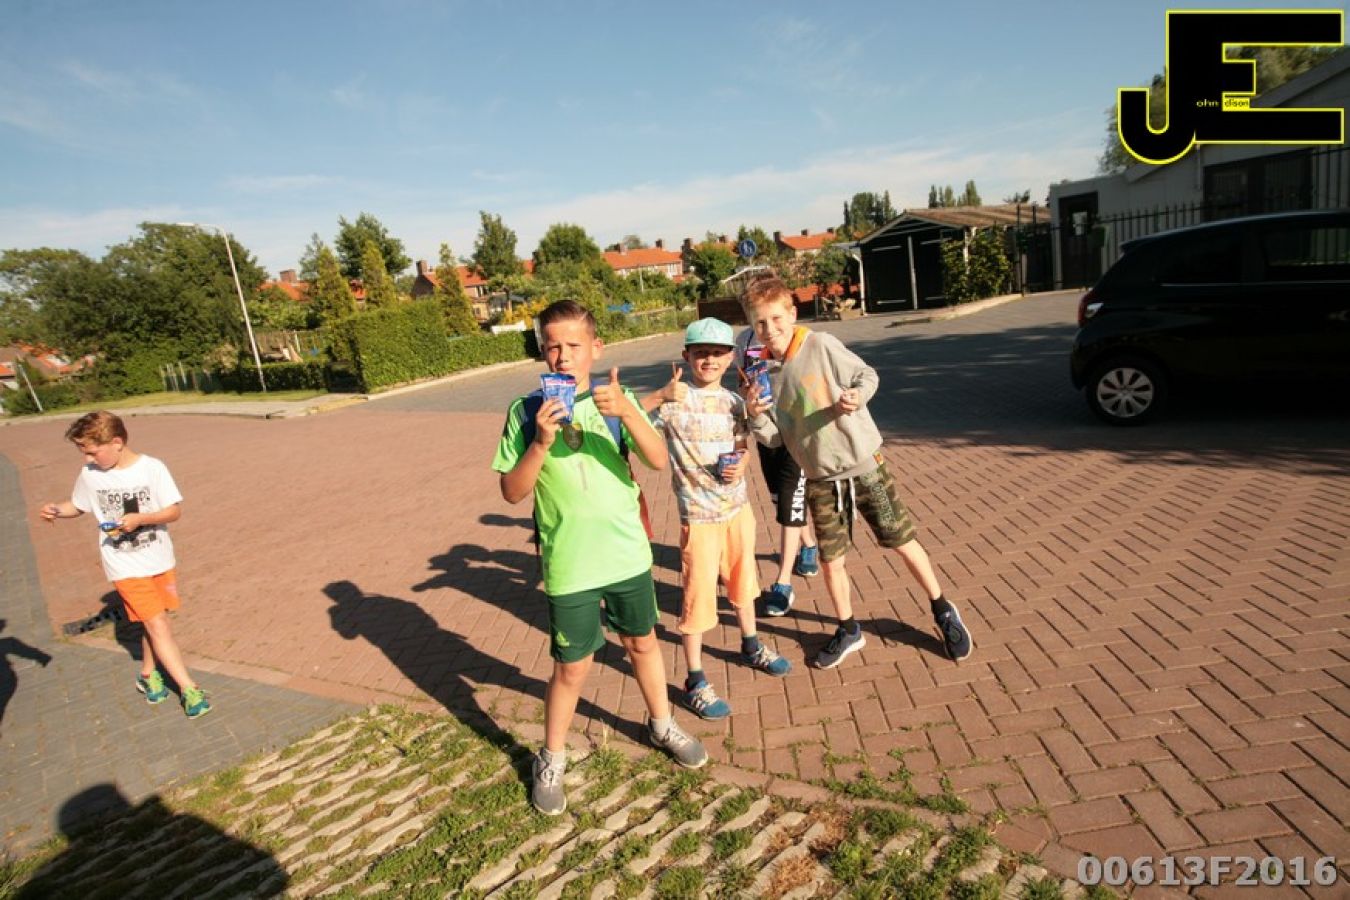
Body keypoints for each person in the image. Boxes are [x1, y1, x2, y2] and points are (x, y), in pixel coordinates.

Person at [492, 299, 708, 817]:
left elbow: (657, 462)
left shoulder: (619, 398)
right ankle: (552, 757)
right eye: (552, 347)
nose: (563, 356)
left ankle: (661, 725)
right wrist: (541, 442)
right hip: (570, 563)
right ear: (543, 353)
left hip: (627, 554)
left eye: (573, 345)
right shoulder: (525, 412)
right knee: (572, 668)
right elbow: (512, 493)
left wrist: (629, 411)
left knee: (643, 643)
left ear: (596, 348)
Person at [739, 274, 973, 669]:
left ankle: (942, 608)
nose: (770, 329)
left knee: (901, 540)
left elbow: (867, 376)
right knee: (831, 561)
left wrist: (857, 395)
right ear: (751, 326)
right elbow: (776, 439)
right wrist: (755, 415)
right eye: (760, 323)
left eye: (776, 318)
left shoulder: (821, 345)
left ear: (792, 314)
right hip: (820, 479)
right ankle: (849, 629)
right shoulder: (765, 375)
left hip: (865, 468)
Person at [640, 318, 791, 720]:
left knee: (744, 584)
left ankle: (751, 644)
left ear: (730, 359)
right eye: (701, 352)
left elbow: (742, 445)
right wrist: (658, 395)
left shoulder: (734, 402)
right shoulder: (673, 400)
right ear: (686, 356)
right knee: (697, 597)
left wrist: (742, 462)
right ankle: (695, 678)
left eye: (718, 353)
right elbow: (627, 420)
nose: (709, 360)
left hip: (737, 510)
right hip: (699, 517)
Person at [38, 411, 211, 718]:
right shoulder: (90, 474)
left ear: (117, 442)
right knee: (158, 624)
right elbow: (78, 505)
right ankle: (189, 689)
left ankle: (147, 674)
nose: (88, 458)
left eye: (93, 451)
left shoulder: (152, 468)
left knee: (155, 621)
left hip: (158, 558)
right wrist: (56, 510)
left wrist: (142, 519)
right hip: (123, 564)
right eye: (84, 452)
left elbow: (173, 511)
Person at [732, 323, 819, 617]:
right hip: (765, 433)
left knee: (790, 502)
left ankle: (783, 583)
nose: (765, 323)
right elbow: (741, 381)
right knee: (780, 500)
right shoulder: (744, 340)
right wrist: (746, 393)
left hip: (796, 432)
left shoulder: (798, 335)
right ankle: (808, 544)